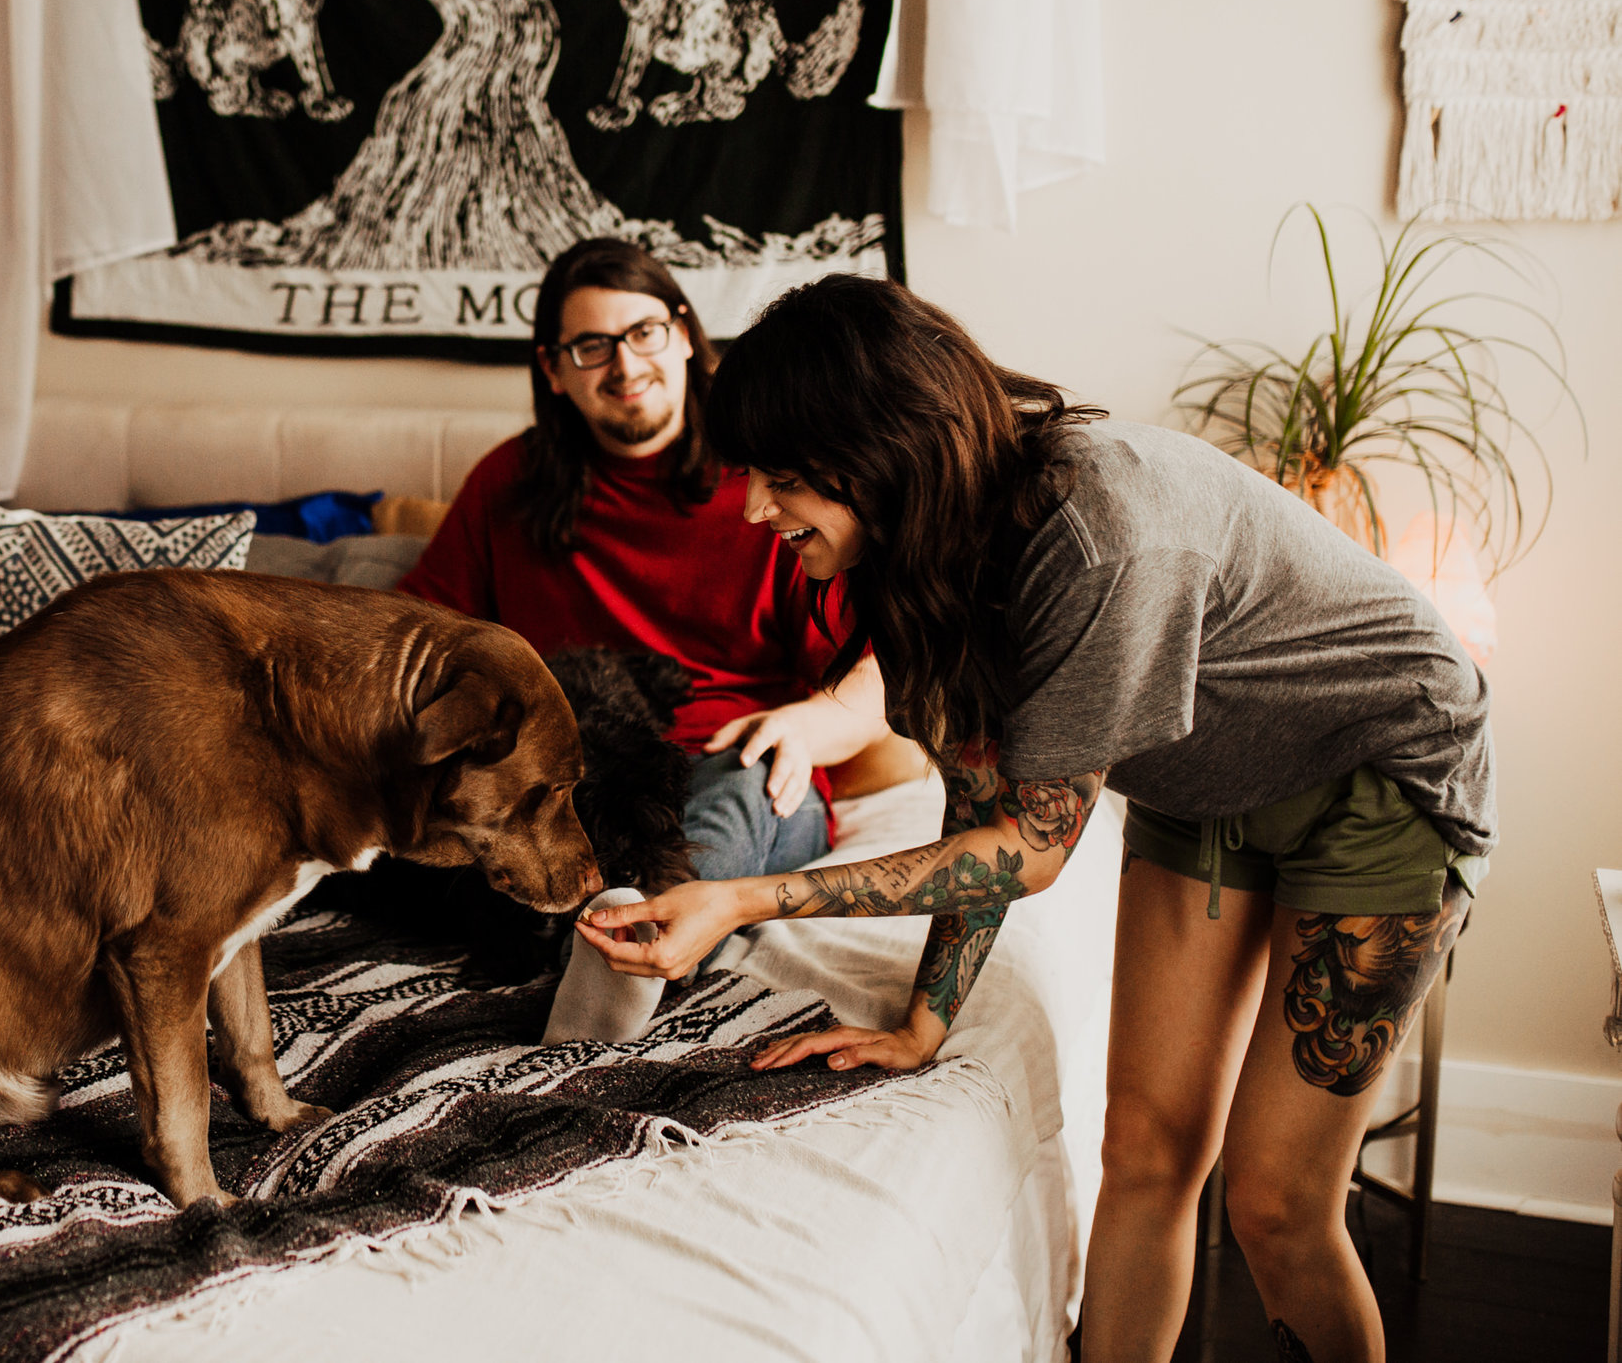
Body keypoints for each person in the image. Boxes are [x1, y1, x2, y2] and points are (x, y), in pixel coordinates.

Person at [575, 274, 1485, 1363]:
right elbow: (978, 791)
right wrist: (924, 1020)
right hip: (1203, 778)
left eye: (779, 477)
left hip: (1377, 775)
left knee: (1277, 1208)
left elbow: (1029, 849)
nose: (756, 509)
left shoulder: (1098, 536)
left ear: (876, 449)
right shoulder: (914, 555)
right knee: (1145, 1154)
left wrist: (741, 896)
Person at [399, 240, 896, 1036]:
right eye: (591, 347)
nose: (624, 366)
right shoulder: (507, 485)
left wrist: (808, 723)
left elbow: (883, 667)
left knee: (740, 786)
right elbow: (412, 639)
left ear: (686, 336)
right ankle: (588, 951)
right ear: (554, 369)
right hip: (573, 776)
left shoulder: (772, 486)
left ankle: (617, 956)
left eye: (643, 333)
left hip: (729, 762)